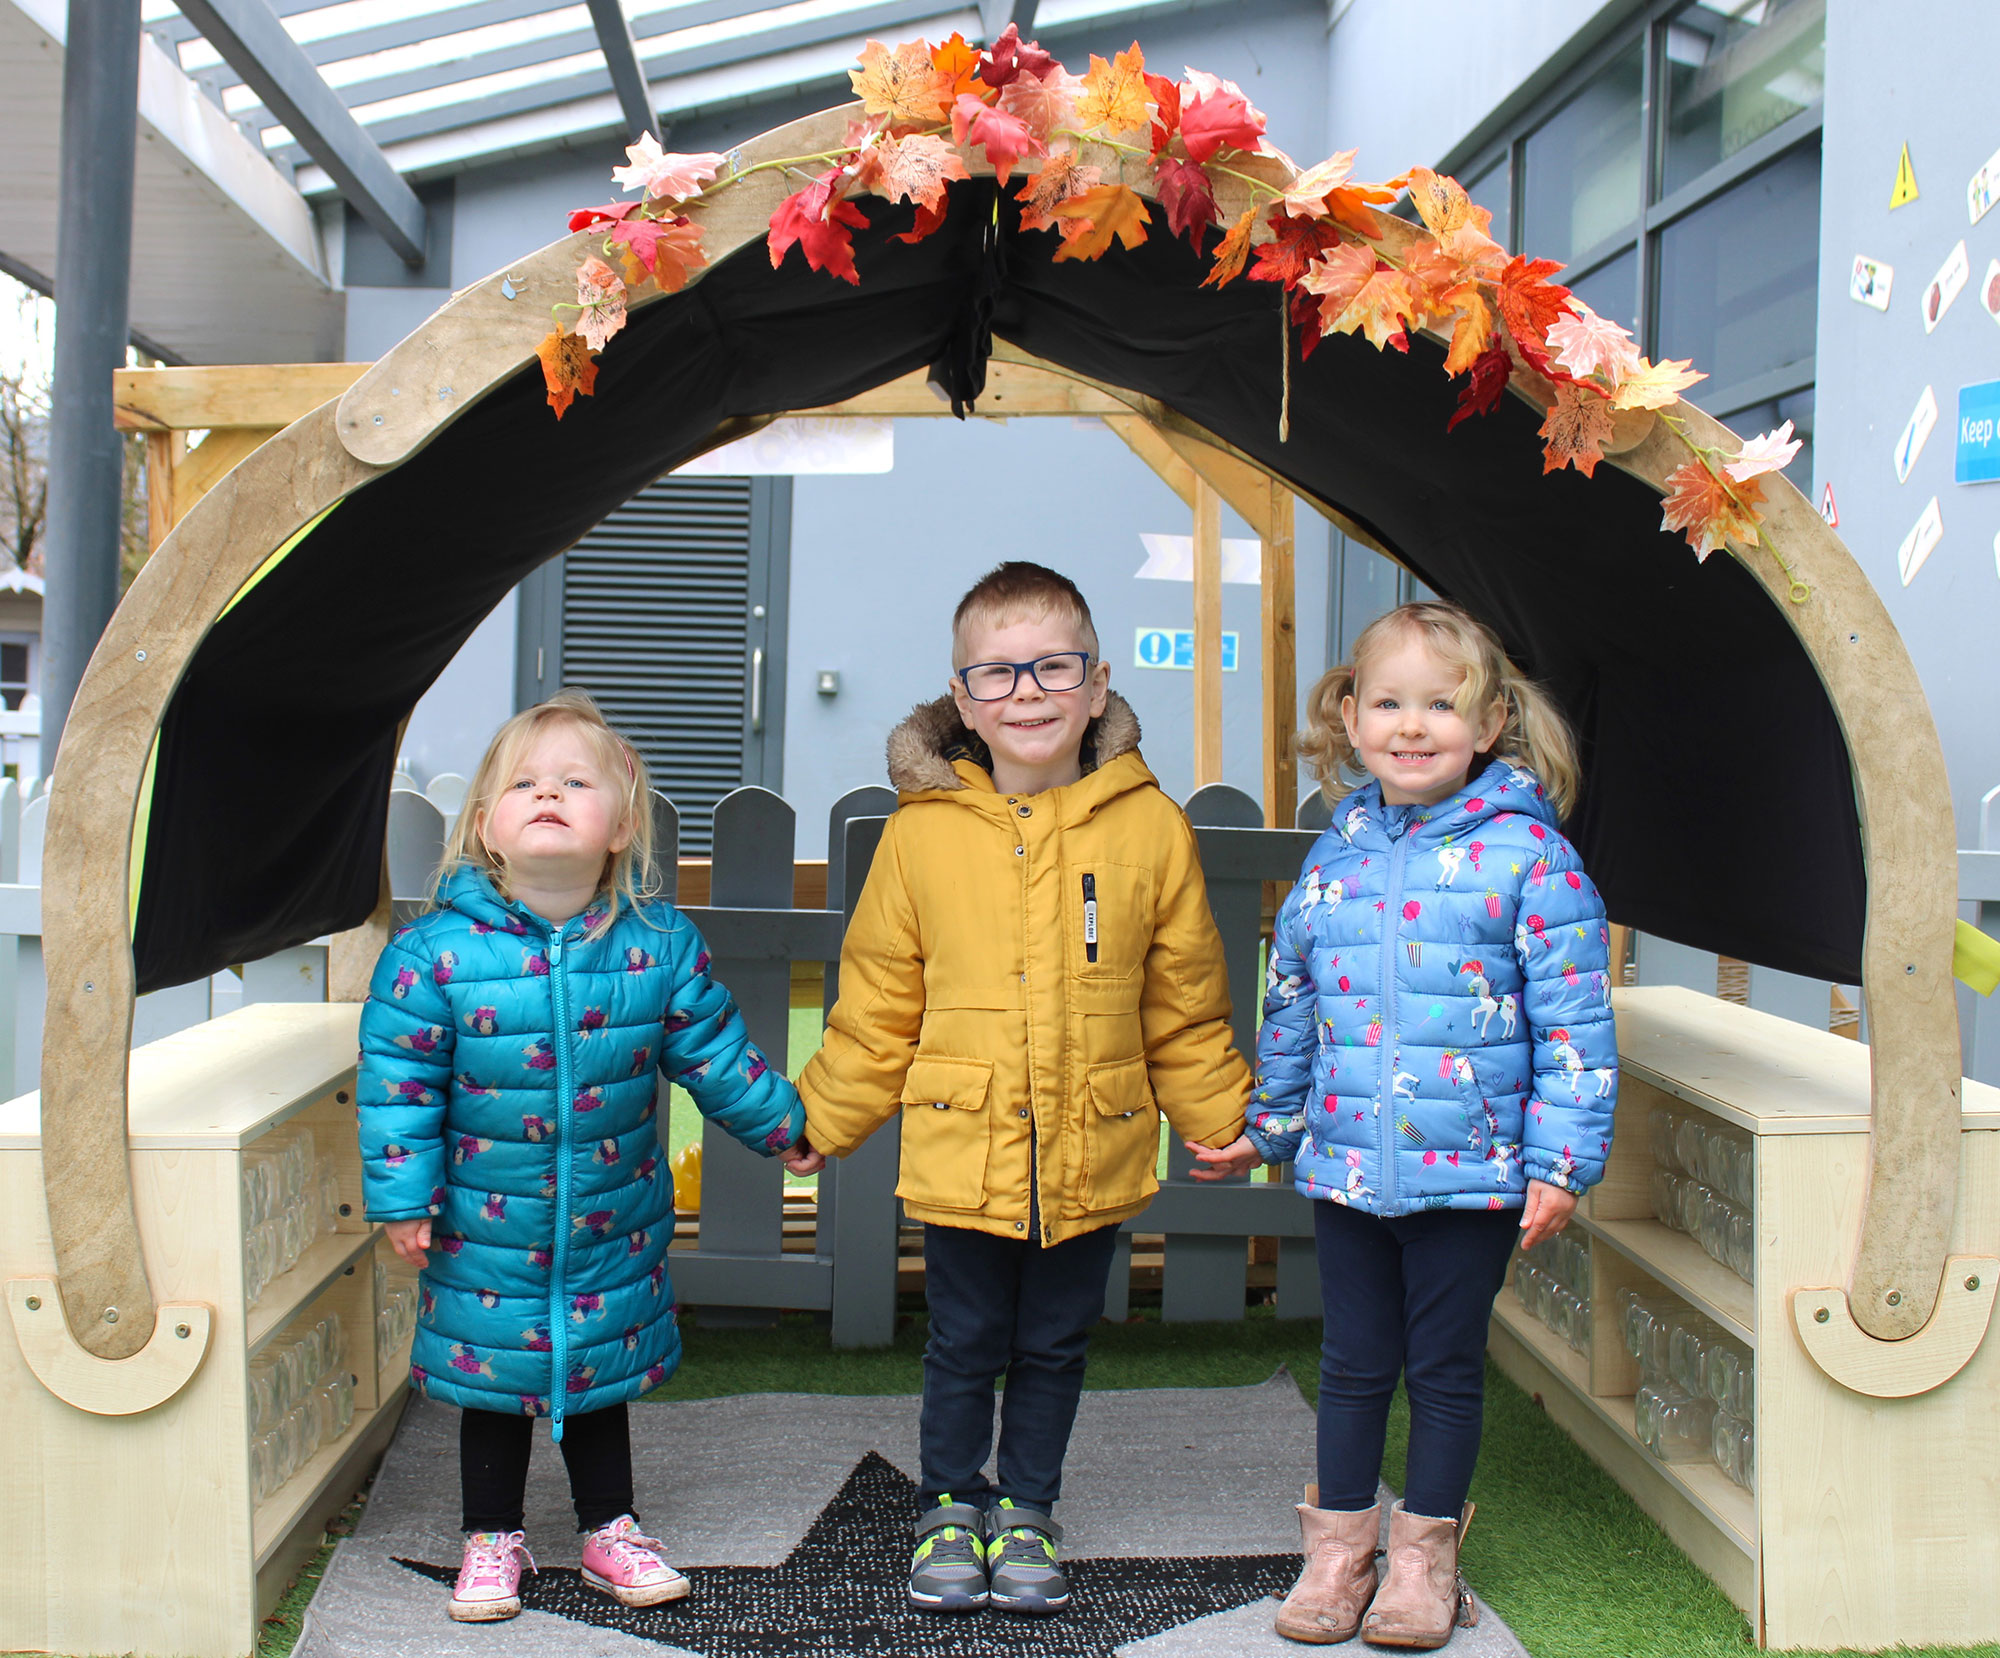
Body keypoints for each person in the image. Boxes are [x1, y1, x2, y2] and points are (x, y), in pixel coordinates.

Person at [798, 561, 1251, 1617]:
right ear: (961, 702)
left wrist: (1221, 1117)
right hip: (964, 1146)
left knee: (1054, 1338)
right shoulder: (919, 835)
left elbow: (1180, 1003)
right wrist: (823, 1114)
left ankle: (1029, 1505)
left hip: (1090, 1144)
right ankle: (950, 1503)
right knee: (961, 1336)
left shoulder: (1147, 829)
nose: (1027, 693)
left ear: (1095, 685)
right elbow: (875, 1003)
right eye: (996, 674)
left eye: (1052, 666)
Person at [1192, 600, 1616, 1649]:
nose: (1412, 724)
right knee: (1351, 1359)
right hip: (1345, 1166)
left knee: (1440, 1365)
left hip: (1470, 1176)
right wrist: (1269, 1124)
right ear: (1347, 714)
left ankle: (1423, 1559)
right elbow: (1293, 1001)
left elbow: (1574, 1017)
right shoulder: (1334, 859)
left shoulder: (1530, 858)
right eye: (1389, 701)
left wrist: (1559, 1161)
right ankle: (1338, 1552)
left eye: (1440, 704)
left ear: (1487, 725)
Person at [357, 690, 817, 1624]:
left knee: (598, 1374)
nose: (548, 795)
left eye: (574, 782)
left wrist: (782, 1126)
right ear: (487, 827)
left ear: (621, 825)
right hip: (485, 1224)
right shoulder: (432, 958)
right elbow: (398, 1086)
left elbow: (716, 1053)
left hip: (609, 1217)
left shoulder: (655, 947)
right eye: (523, 784)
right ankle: (490, 1536)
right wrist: (403, 1199)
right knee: (493, 1381)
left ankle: (611, 1528)